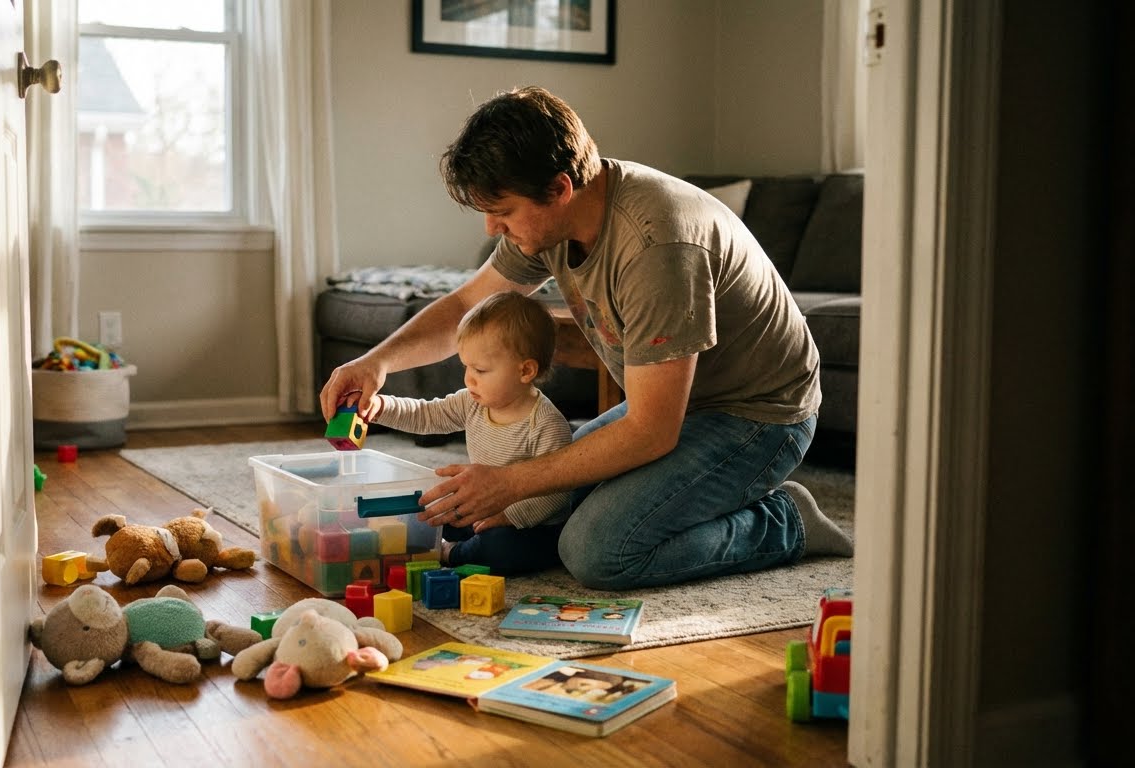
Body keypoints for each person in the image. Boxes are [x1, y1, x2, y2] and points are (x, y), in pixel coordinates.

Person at [320, 85, 852, 591]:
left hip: (758, 416)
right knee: (546, 507)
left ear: (559, 189)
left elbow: (650, 432)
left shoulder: (656, 247)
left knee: (597, 549)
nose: (491, 229)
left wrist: (511, 483)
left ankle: (785, 521)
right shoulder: (559, 218)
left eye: (502, 212)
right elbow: (466, 306)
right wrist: (377, 363)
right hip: (674, 403)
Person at [359, 290, 573, 575]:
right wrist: (382, 407)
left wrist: (508, 515)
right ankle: (447, 544)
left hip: (530, 527)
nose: (468, 378)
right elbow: (426, 415)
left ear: (525, 371)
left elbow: (557, 494)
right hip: (481, 510)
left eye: (480, 370)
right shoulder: (471, 402)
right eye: (466, 367)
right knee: (431, 512)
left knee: (499, 547)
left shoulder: (546, 424)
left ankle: (452, 553)